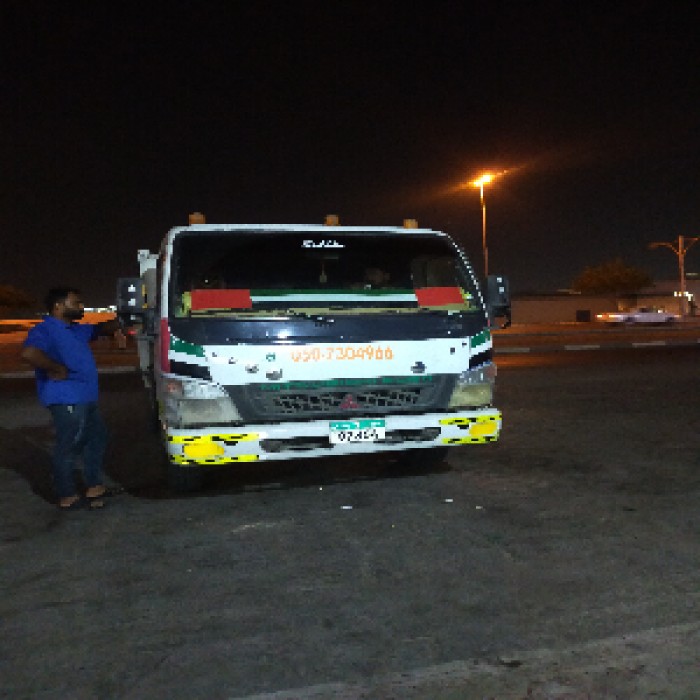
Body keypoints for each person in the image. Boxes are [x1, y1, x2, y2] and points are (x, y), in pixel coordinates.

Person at [20, 287, 124, 511]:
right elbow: (29, 353)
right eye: (76, 302)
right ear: (58, 306)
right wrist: (54, 367)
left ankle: (94, 486)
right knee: (70, 444)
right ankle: (67, 495)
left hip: (85, 396)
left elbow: (102, 328)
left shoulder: (76, 330)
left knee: (97, 437)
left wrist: (126, 317)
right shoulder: (46, 329)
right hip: (66, 397)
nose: (81, 306)